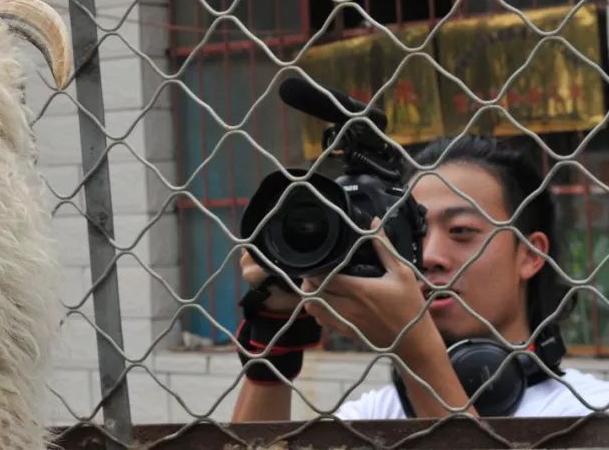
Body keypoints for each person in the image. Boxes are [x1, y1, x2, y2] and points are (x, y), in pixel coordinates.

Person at [230, 134, 609, 421]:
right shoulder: (374, 415)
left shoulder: (587, 410)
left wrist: (415, 353)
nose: (429, 257)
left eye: (461, 231)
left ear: (531, 254)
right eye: (416, 234)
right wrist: (276, 333)